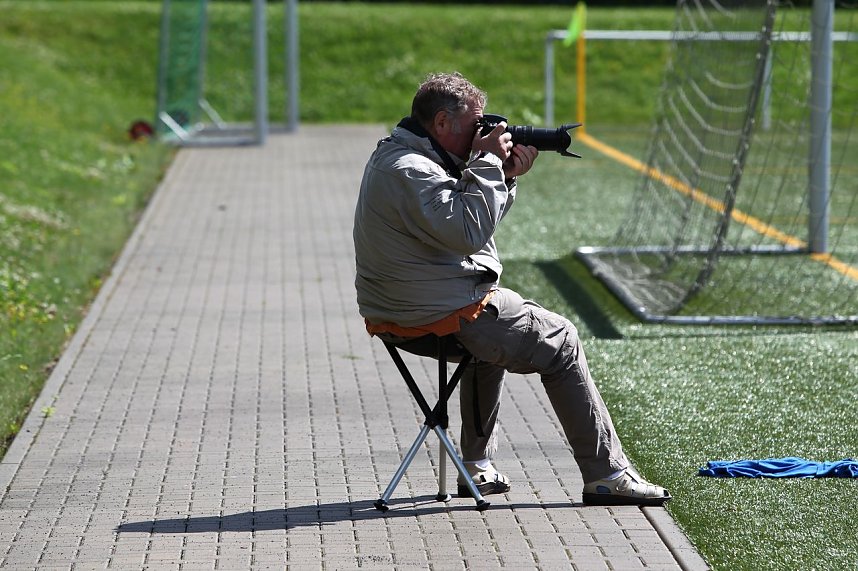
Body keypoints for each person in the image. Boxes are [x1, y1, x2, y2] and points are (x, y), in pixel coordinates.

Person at [353, 72, 670, 506]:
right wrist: (486, 165)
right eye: (476, 124)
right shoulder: (412, 170)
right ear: (442, 123)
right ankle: (606, 475)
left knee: (497, 328)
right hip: (435, 315)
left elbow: (468, 223)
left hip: (404, 312)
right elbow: (467, 231)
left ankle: (476, 467)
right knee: (560, 340)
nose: (485, 134)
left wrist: (503, 176)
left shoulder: (399, 158)